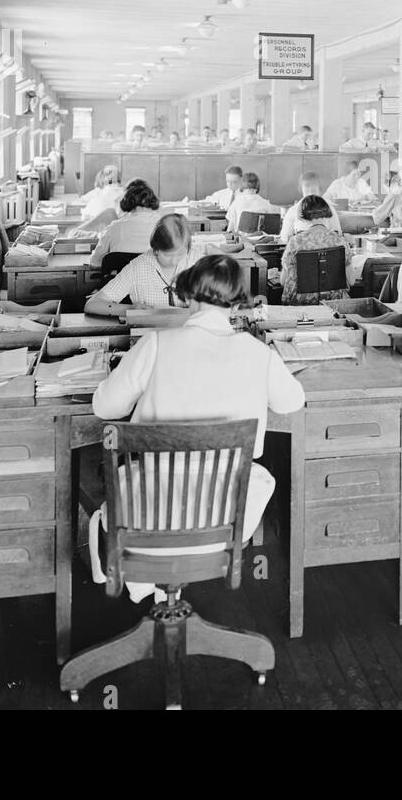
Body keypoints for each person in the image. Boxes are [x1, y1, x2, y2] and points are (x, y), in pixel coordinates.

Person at [90, 254, 305, 602]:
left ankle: (153, 583)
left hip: (148, 517)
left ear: (187, 295)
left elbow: (105, 407)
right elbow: (292, 402)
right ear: (237, 301)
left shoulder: (157, 344)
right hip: (221, 520)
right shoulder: (258, 353)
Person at [86, 214, 208, 315]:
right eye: (167, 255)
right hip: (148, 333)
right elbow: (92, 304)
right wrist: (129, 309)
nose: (174, 261)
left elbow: (224, 301)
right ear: (155, 250)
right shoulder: (138, 267)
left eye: (180, 254)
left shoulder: (196, 261)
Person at [281, 195, 348, 305]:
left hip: (300, 306)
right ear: (327, 213)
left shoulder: (295, 242)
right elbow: (351, 281)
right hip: (334, 305)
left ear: (303, 217)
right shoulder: (340, 241)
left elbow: (283, 282)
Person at [89, 180, 162, 266]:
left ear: (126, 202)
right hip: (155, 279)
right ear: (153, 201)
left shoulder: (114, 227)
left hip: (121, 279)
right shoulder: (164, 226)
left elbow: (94, 263)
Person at [278, 172, 339, 240]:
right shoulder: (292, 211)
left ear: (319, 187)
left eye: (314, 184)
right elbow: (285, 237)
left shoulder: (330, 209)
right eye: (307, 185)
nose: (311, 188)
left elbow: (337, 234)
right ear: (301, 188)